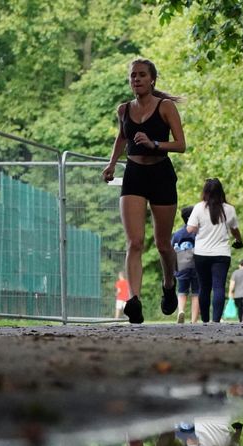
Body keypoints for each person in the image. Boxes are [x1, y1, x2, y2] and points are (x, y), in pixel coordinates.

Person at [101, 58, 186, 325]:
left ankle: (169, 283)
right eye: (132, 76)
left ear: (152, 80)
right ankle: (134, 300)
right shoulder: (124, 109)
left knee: (162, 245)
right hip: (134, 175)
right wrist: (112, 164)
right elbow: (121, 137)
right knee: (134, 242)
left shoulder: (166, 107)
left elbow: (181, 145)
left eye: (141, 75)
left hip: (160, 173)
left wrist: (154, 143)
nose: (136, 79)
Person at [186, 178, 243, 324]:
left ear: (205, 192)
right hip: (221, 254)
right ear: (221, 192)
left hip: (201, 254)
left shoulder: (199, 208)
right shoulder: (229, 209)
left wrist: (200, 227)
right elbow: (235, 230)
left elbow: (190, 229)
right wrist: (238, 241)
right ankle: (216, 320)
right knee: (219, 287)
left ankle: (205, 320)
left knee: (204, 287)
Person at [172, 206, 200, 324]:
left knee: (182, 291)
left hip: (182, 265)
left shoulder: (178, 234)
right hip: (196, 266)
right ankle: (193, 320)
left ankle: (181, 311)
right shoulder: (198, 233)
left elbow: (172, 249)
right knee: (196, 293)